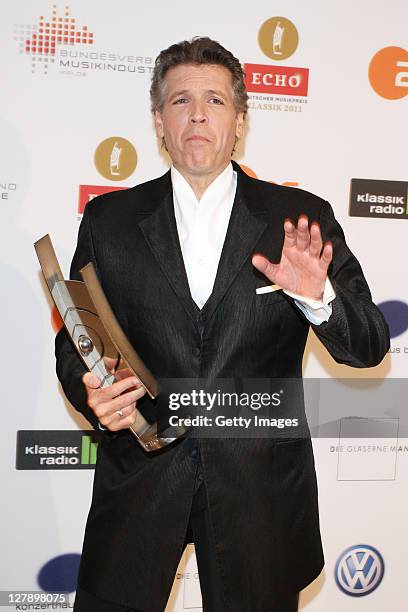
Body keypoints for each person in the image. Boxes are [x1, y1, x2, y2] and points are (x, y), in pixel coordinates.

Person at [55, 37, 390, 612]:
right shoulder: (109, 220)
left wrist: (319, 297)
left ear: (239, 120)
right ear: (160, 122)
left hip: (259, 488)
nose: (198, 114)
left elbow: (368, 346)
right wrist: (91, 391)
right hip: (141, 481)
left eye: (214, 99)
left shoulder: (298, 218)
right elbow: (76, 340)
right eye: (180, 101)